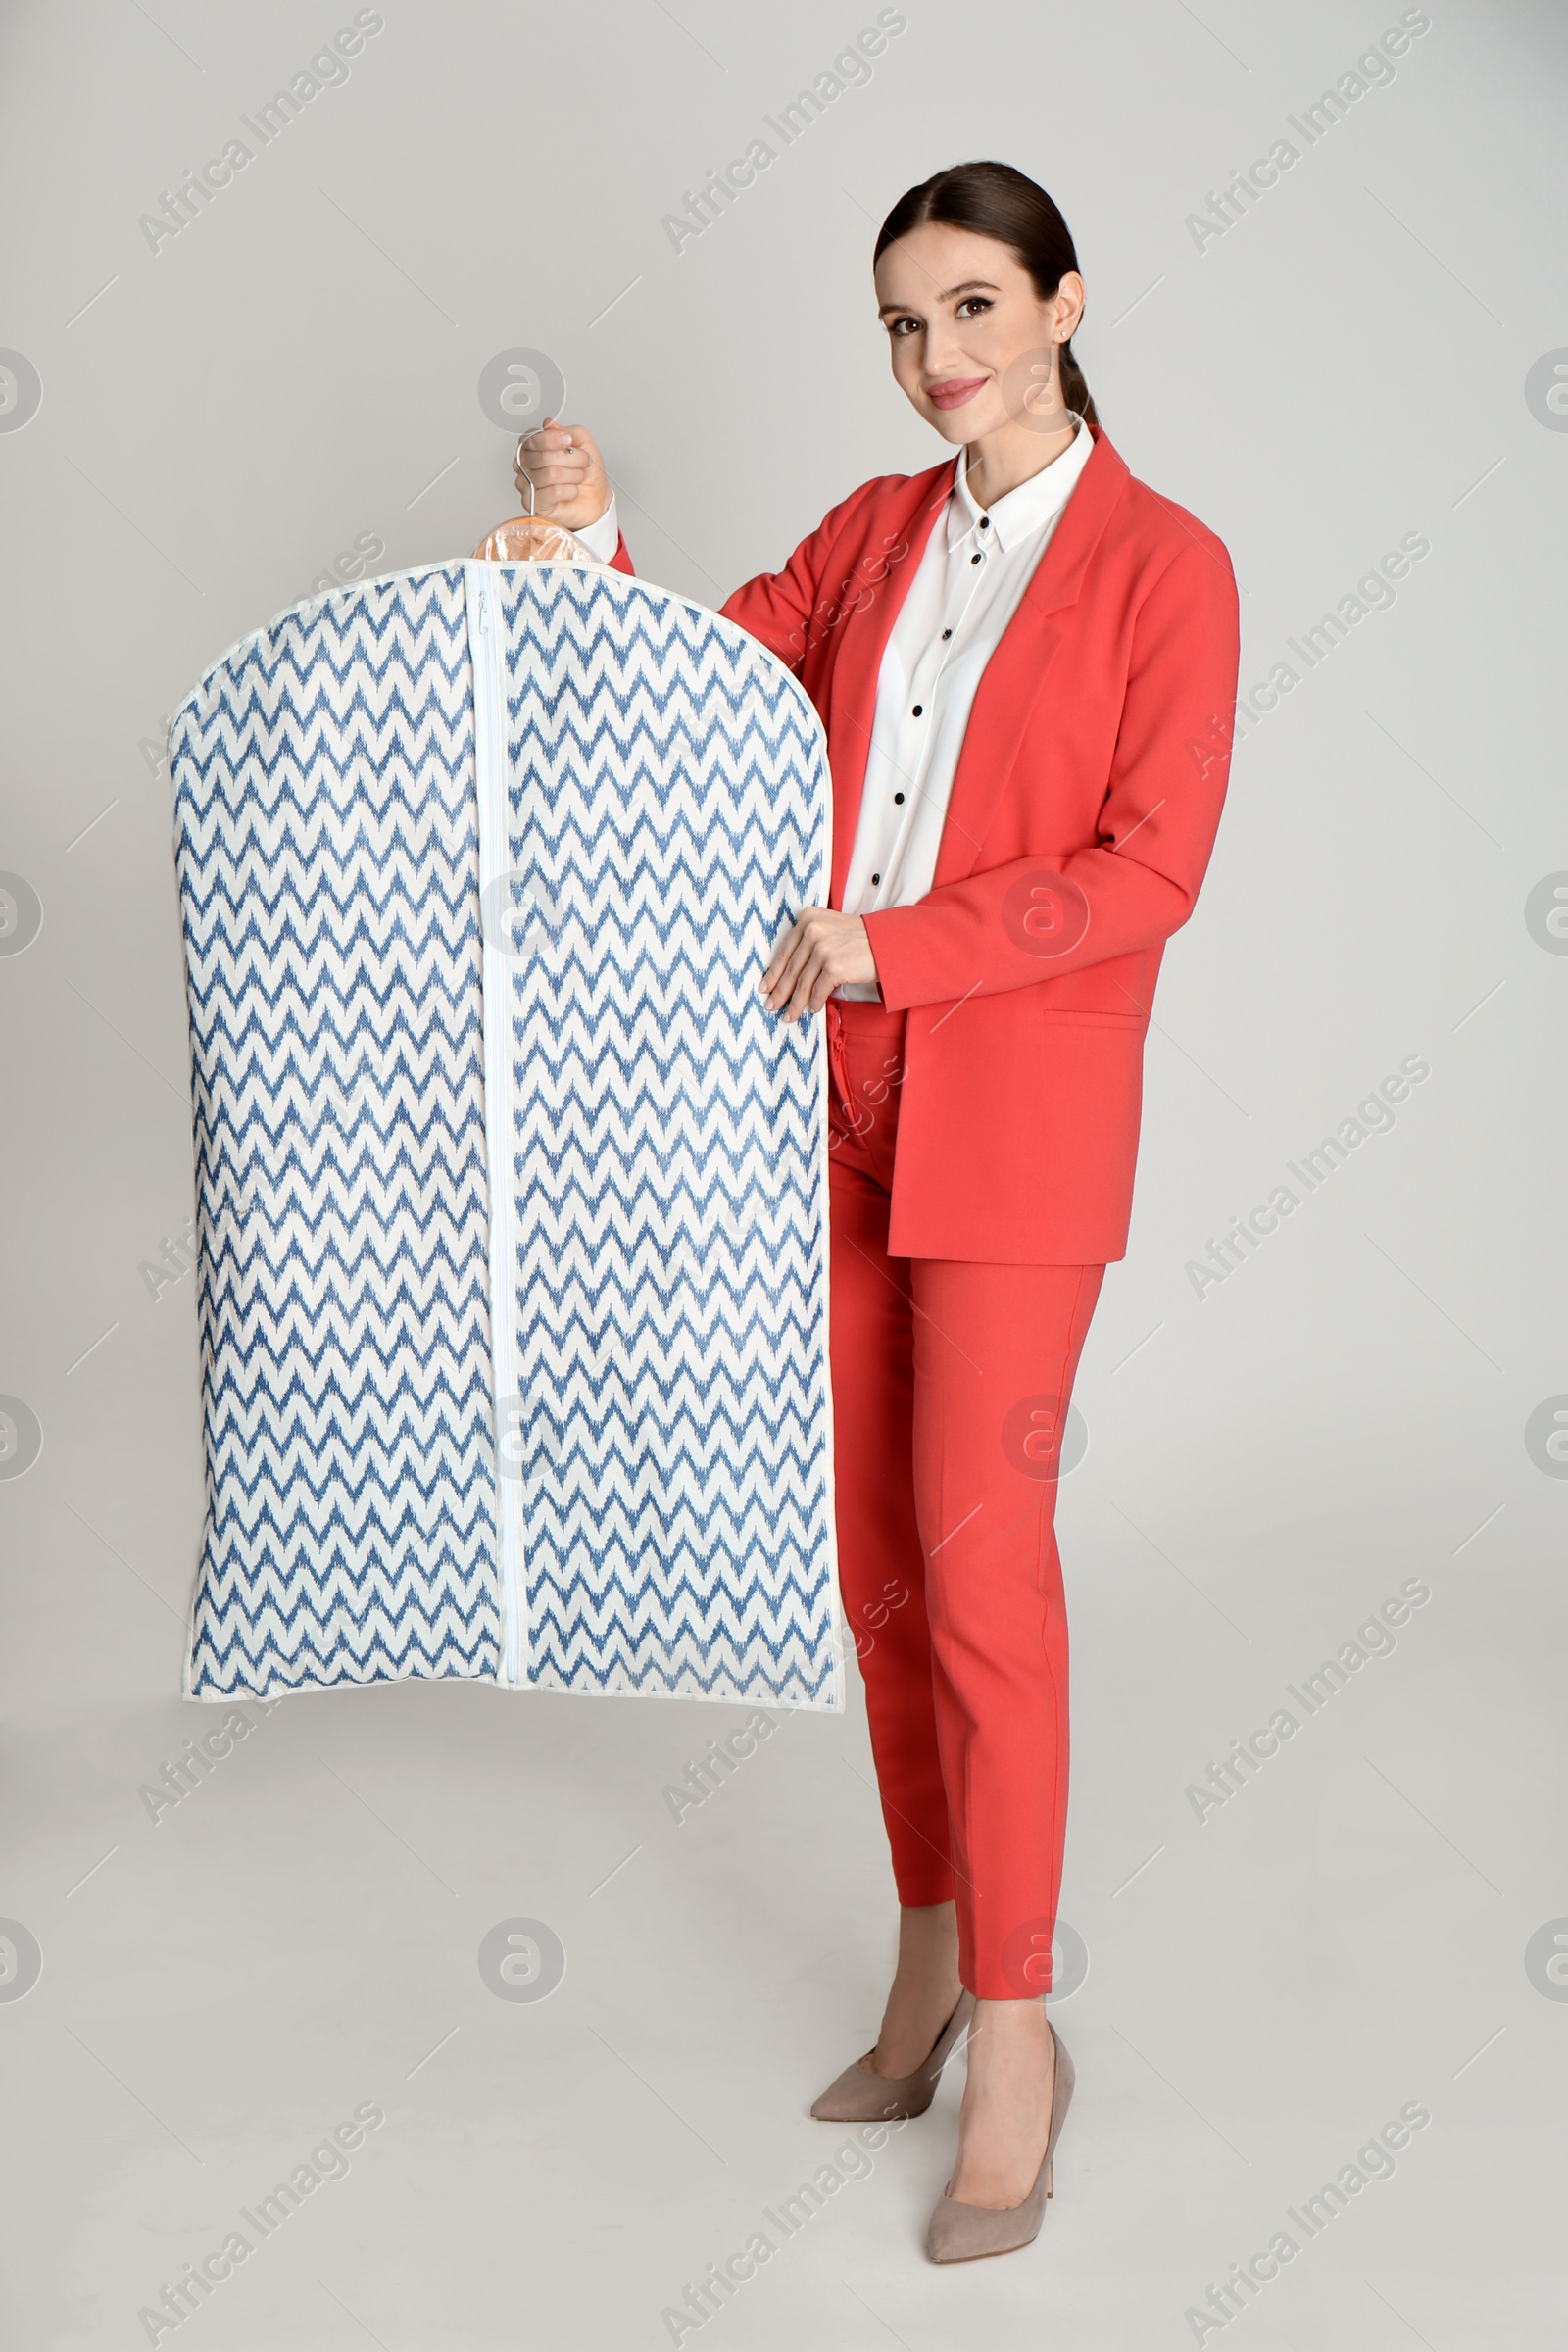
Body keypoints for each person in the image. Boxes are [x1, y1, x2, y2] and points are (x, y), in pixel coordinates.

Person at [513, 159, 1239, 2263]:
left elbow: (1146, 868)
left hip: (1005, 1136)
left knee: (983, 1578)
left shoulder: (1160, 569)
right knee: (879, 1582)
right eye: (905, 325)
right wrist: (590, 545)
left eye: (975, 311)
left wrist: (890, 948)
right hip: (810, 1126)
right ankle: (926, 1958)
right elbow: (706, 688)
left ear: (1065, 304)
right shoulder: (867, 532)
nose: (938, 362)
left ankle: (1014, 2030)